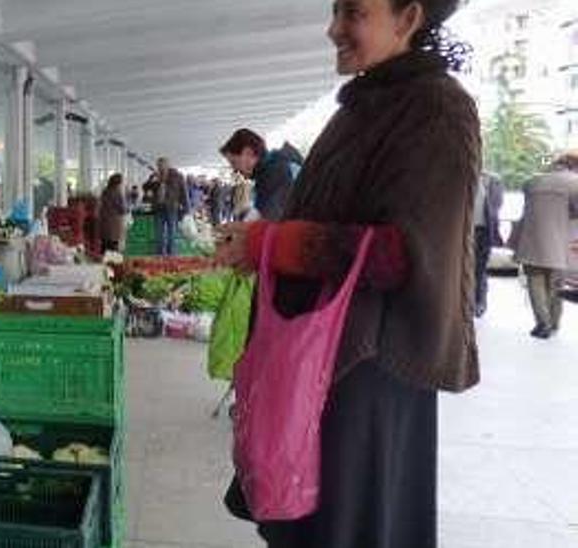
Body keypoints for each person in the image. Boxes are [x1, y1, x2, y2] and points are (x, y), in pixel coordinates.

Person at [214, 0, 480, 546]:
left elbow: (402, 253)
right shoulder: (366, 104)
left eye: (353, 12)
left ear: (408, 18)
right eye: (336, 10)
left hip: (370, 369)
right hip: (325, 362)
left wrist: (273, 242)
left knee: (348, 528)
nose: (333, 28)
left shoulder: (435, 108)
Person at [509, 151, 578, 339]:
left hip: (531, 240)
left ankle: (542, 323)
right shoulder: (574, 183)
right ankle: (554, 322)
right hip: (560, 242)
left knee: (535, 283)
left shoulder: (532, 182)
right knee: (556, 283)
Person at [219, 128, 303, 221]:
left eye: (234, 162)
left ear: (248, 152)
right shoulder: (274, 168)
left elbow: (271, 220)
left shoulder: (276, 172)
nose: (235, 170)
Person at [473, 172, 503, 317]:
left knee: (480, 269)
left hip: (483, 231)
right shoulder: (461, 176)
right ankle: (469, 301)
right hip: (463, 231)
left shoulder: (492, 180)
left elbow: (496, 206)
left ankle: (479, 302)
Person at [153, 157, 188, 255]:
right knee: (158, 233)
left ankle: (171, 253)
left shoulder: (177, 176)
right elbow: (145, 186)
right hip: (158, 208)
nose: (160, 167)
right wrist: (153, 179)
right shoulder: (156, 176)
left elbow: (184, 192)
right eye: (158, 165)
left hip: (172, 208)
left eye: (161, 165)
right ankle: (160, 253)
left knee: (172, 232)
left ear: (168, 165)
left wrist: (187, 209)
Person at [99, 173, 129, 253]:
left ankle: (104, 263)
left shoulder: (105, 191)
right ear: (119, 183)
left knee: (105, 246)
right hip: (114, 224)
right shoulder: (117, 193)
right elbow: (123, 209)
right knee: (113, 247)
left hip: (104, 223)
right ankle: (113, 262)